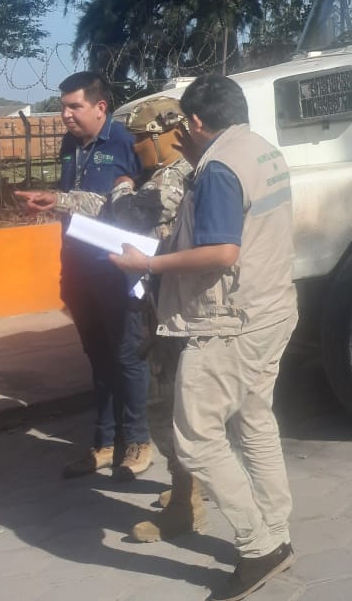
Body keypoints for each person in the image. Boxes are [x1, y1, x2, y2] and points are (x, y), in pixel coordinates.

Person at [112, 75, 297, 601]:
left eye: (181, 128)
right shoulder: (261, 150)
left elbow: (222, 252)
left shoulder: (218, 167)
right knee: (254, 422)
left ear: (195, 121)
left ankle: (258, 545)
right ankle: (277, 530)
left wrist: (148, 264)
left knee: (196, 439)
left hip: (227, 324)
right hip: (271, 309)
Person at [15, 71, 151, 481]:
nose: (66, 115)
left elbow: (134, 207)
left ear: (100, 107)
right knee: (98, 358)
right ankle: (104, 443)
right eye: (63, 107)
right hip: (77, 267)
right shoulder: (70, 145)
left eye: (75, 106)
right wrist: (51, 202)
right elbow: (70, 202)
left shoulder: (126, 143)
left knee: (127, 355)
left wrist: (58, 198)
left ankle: (138, 441)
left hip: (116, 269)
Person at [108, 96, 206, 545]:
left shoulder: (174, 178)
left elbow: (131, 212)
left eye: (140, 139)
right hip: (163, 306)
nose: (135, 147)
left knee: (167, 406)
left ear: (165, 135)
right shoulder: (169, 175)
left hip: (174, 313)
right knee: (175, 403)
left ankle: (187, 502)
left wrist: (120, 187)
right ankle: (189, 488)